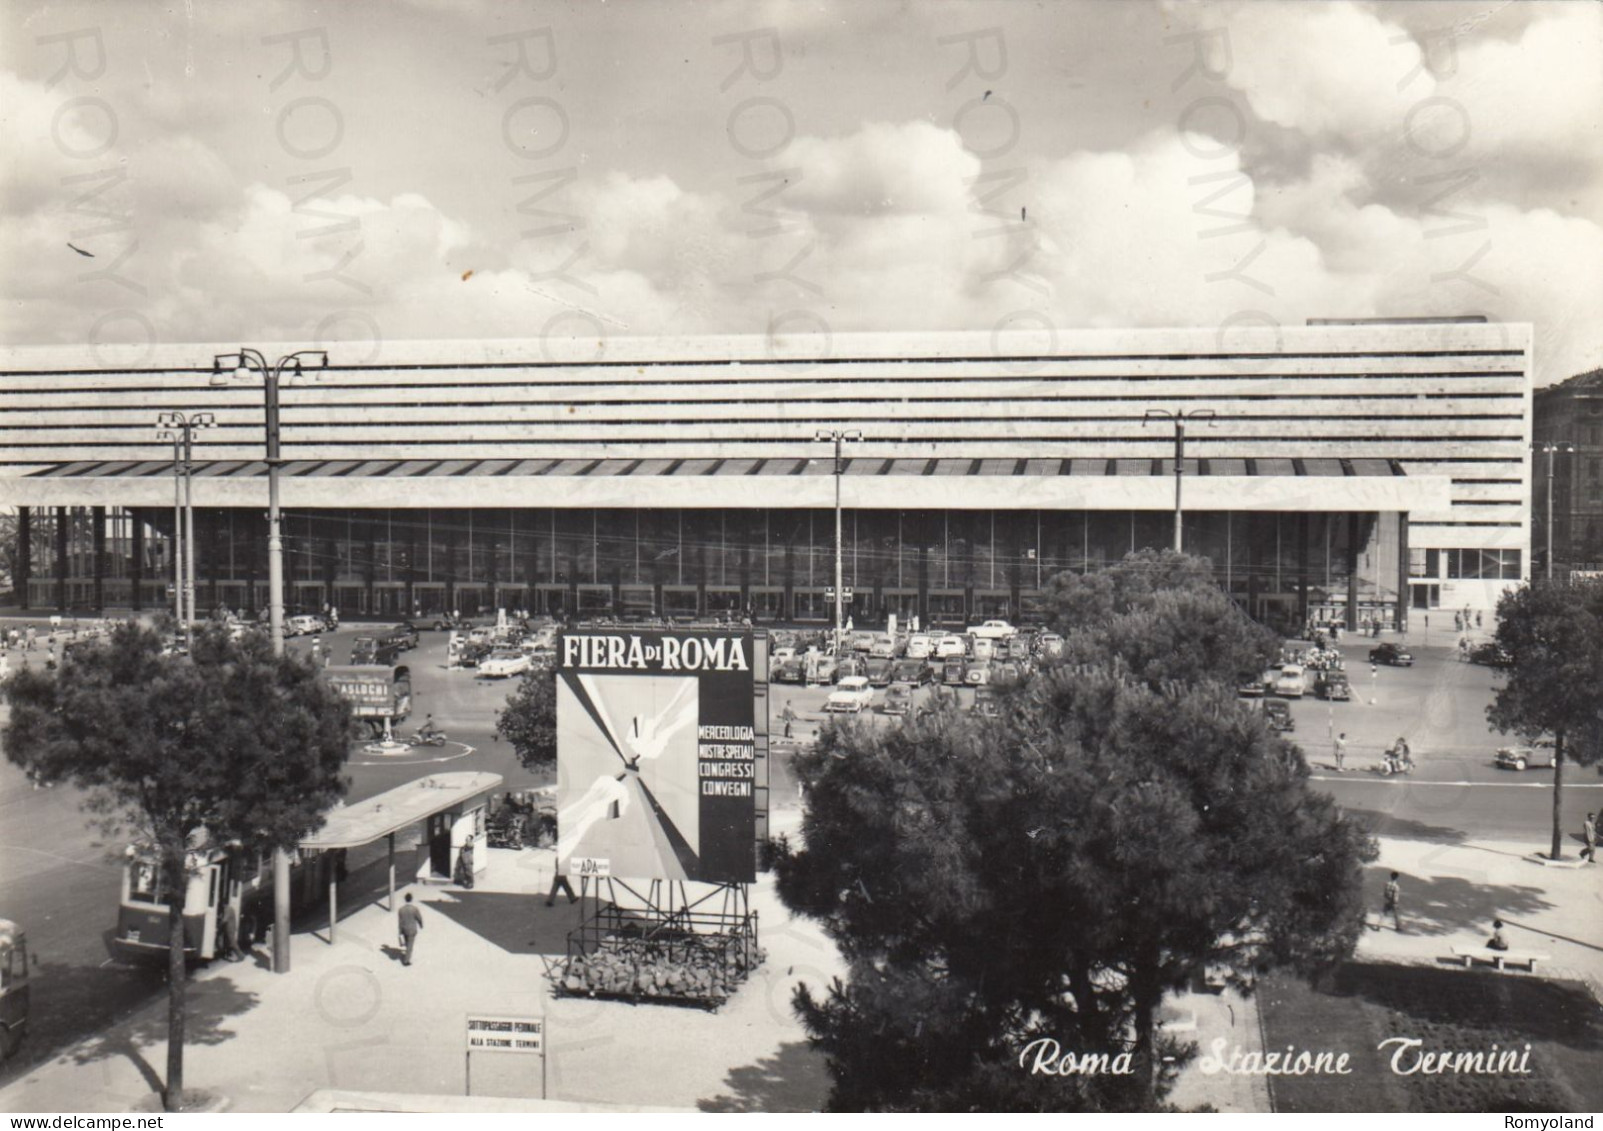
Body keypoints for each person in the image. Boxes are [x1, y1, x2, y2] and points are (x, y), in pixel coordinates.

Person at [397, 892, 424, 966]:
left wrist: (400, 931)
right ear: (411, 899)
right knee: (410, 945)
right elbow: (419, 918)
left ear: (405, 899)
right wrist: (421, 924)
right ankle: (406, 961)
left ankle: (407, 954)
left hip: (404, 929)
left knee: (407, 943)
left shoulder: (401, 910)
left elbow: (400, 921)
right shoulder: (414, 909)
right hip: (412, 929)